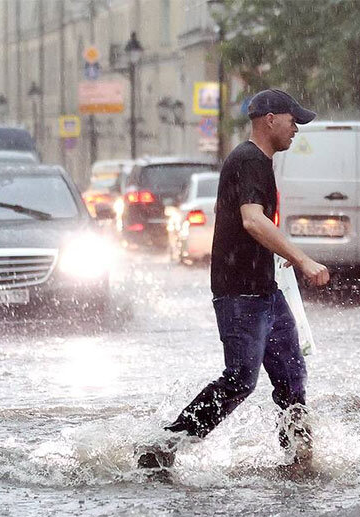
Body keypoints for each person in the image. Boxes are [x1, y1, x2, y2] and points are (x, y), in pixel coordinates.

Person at [136, 89, 330, 474]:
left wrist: (271, 257)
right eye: (293, 121)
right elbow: (252, 220)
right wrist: (302, 259)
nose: (296, 130)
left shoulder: (254, 161)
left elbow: (232, 215)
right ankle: (164, 446)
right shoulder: (250, 159)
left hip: (264, 291)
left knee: (292, 378)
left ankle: (299, 460)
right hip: (240, 294)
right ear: (270, 119)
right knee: (241, 379)